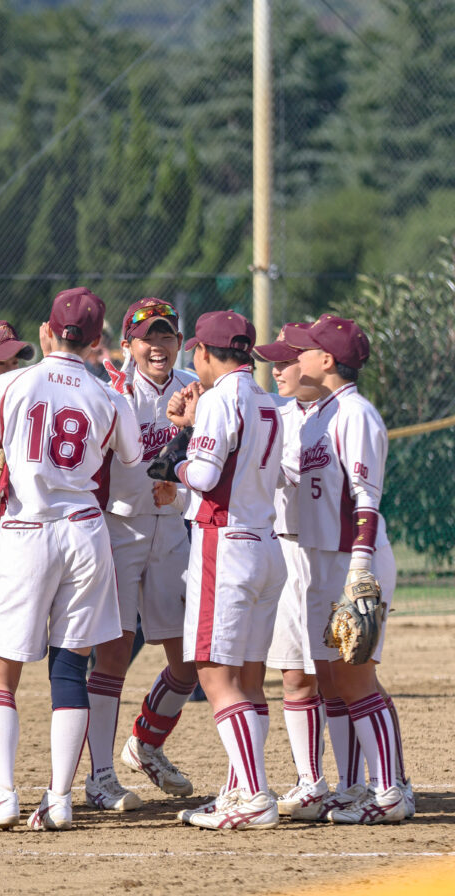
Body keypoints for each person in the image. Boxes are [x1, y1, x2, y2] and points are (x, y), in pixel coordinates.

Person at [0, 286, 143, 831]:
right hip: (85, 530)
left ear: (47, 332)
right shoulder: (108, 393)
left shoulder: (13, 382)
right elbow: (131, 457)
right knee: (69, 667)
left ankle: (3, 792)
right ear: (98, 338)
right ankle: (59, 798)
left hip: (27, 527)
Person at [150, 310, 286, 831]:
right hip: (265, 544)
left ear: (204, 353)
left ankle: (252, 795)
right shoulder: (266, 399)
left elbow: (204, 475)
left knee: (213, 675)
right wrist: (189, 430)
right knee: (249, 681)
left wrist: (174, 461)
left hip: (224, 544)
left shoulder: (220, 399)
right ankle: (237, 790)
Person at [286, 315, 412, 824]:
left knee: (356, 681)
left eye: (309, 349)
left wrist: (360, 570)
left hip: (353, 559)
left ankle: (391, 792)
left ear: (328, 362)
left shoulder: (355, 414)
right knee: (332, 678)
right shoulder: (319, 413)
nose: (300, 356)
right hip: (321, 558)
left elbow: (367, 499)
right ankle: (355, 787)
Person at [85, 297, 198, 812]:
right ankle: (101, 774)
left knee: (189, 662)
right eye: (147, 336)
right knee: (112, 653)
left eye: (167, 334)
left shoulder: (196, 390)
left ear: (180, 341)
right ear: (128, 343)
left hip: (173, 532)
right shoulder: (111, 391)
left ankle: (146, 744)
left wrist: (182, 494)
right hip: (119, 529)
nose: (158, 344)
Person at [253, 326, 328, 819]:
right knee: (293, 675)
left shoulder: (338, 414)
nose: (276, 369)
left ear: (316, 362)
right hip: (285, 549)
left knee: (341, 677)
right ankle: (310, 780)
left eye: (286, 360)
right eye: (273, 361)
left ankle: (378, 782)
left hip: (328, 554)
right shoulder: (276, 415)